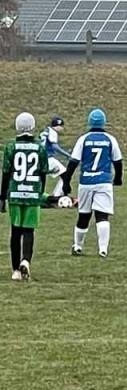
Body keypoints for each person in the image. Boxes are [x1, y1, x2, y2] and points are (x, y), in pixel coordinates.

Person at [62, 107, 122, 258]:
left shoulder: (83, 139)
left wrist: (66, 181)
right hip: (103, 181)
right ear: (104, 123)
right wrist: (118, 178)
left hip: (86, 182)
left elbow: (73, 162)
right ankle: (103, 249)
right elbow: (118, 161)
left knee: (84, 215)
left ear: (89, 122)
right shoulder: (110, 139)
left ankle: (77, 246)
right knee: (102, 216)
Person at [3, 112, 48, 281]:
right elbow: (43, 173)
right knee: (29, 230)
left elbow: (6, 174)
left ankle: (15, 270)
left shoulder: (10, 147)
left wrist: (2, 197)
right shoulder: (40, 147)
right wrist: (40, 192)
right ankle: (26, 260)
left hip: (14, 193)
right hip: (32, 193)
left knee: (15, 231)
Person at [42, 115, 70, 206]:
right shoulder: (53, 132)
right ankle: (56, 197)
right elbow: (54, 146)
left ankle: (44, 197)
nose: (62, 128)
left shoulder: (45, 131)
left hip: (40, 159)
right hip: (48, 159)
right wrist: (67, 155)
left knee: (41, 178)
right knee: (66, 175)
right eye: (61, 126)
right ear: (58, 126)